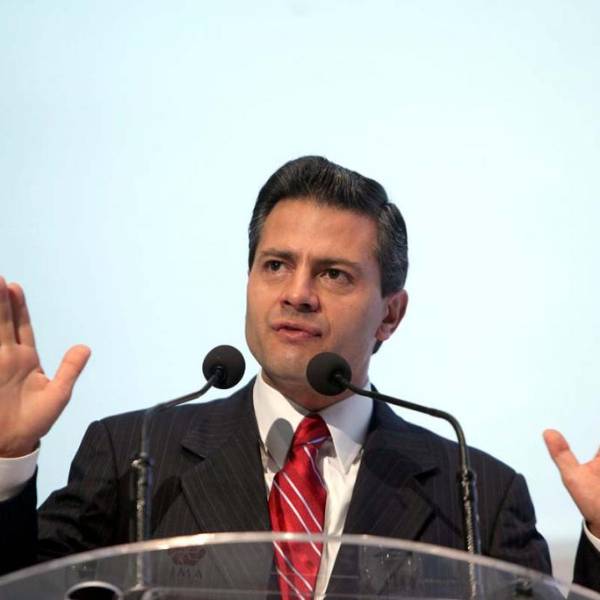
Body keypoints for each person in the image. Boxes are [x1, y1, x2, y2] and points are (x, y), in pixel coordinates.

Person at [0, 156, 598, 595]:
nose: (297, 294)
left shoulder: (478, 495)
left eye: (334, 274)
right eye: (276, 265)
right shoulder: (135, 453)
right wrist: (7, 463)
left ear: (390, 314)